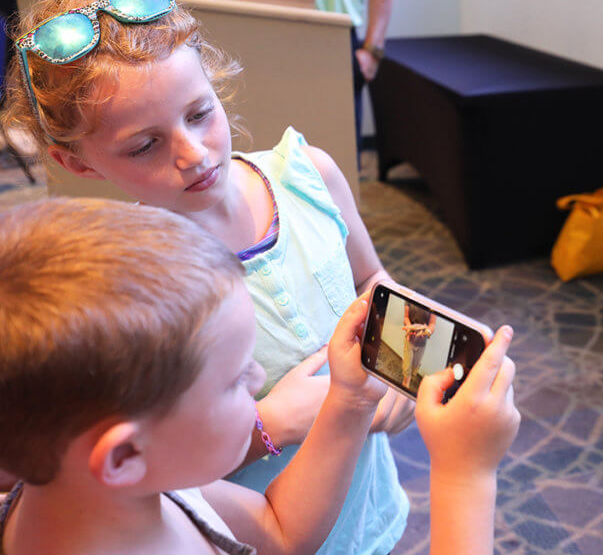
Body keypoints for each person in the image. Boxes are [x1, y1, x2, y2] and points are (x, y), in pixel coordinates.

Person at [2, 0, 409, 554]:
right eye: (144, 145)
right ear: (79, 163)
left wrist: (405, 357)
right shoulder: (130, 284)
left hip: (371, 504)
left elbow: (369, 280)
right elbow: (149, 467)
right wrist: (269, 423)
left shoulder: (309, 174)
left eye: (199, 112)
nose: (192, 153)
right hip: (265, 524)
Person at [0, 197, 521, 555]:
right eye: (232, 381)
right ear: (124, 454)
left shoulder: (129, 492)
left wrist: (349, 401)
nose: (257, 377)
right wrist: (464, 475)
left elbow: (279, 532)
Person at [212, 0, 399, 153]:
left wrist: (373, 50)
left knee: (338, 149)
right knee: (266, 143)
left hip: (336, 36)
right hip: (266, 32)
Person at [401, 303, 436, 387]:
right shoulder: (409, 296)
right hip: (410, 339)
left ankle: (410, 376)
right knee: (407, 370)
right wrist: (409, 327)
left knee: (415, 367)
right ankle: (406, 381)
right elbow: (406, 317)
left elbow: (432, 323)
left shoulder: (433, 303)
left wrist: (427, 332)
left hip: (422, 342)